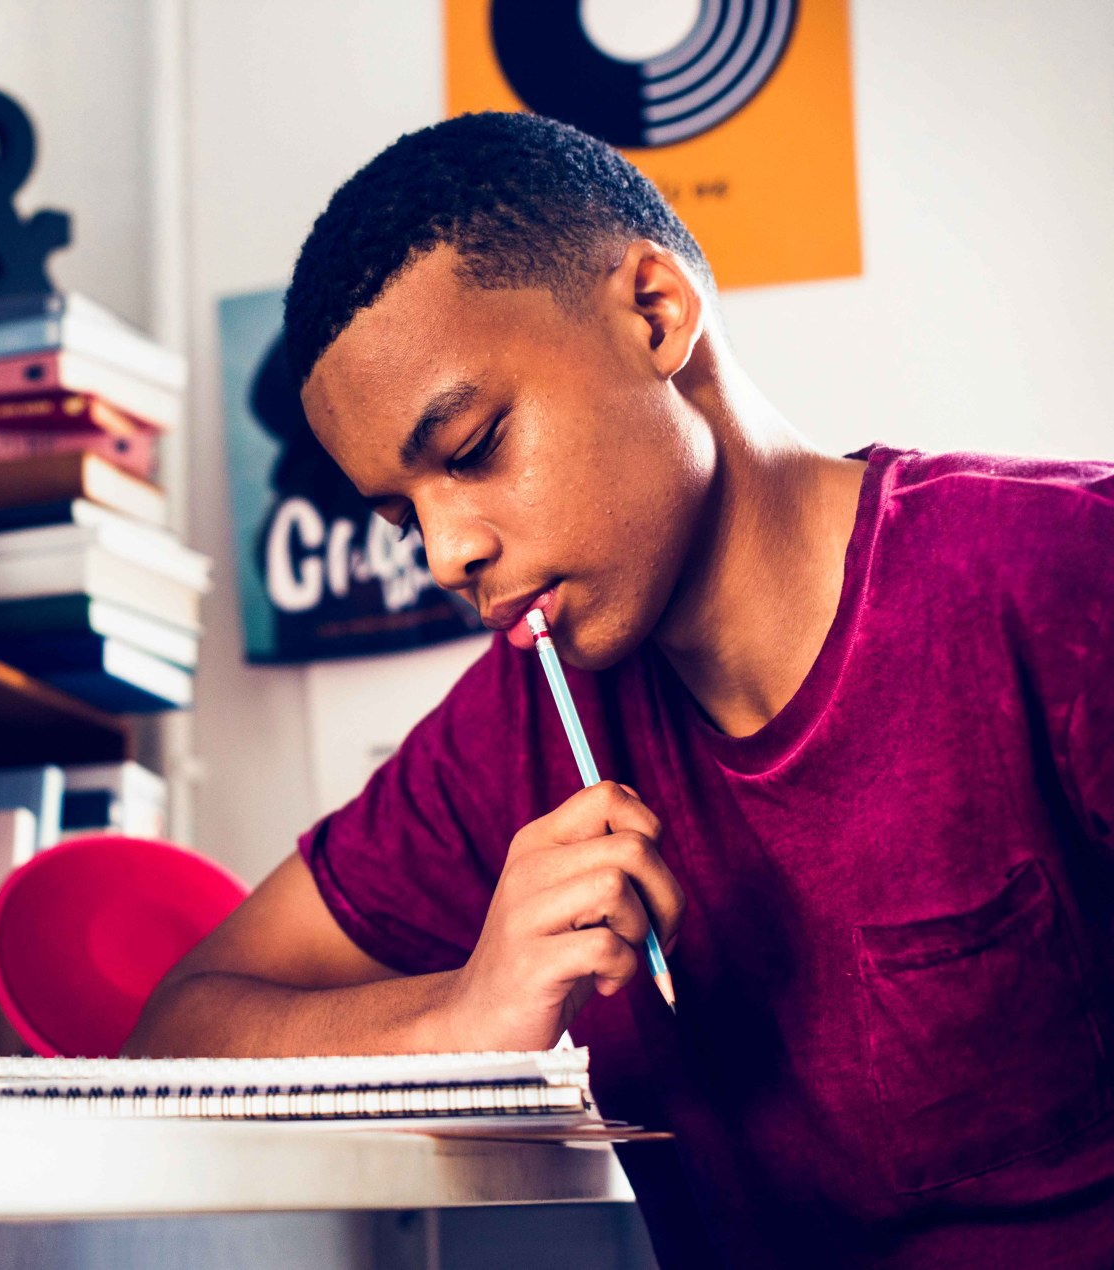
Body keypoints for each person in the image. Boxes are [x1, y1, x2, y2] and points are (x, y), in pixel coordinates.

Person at [126, 112, 1114, 1268]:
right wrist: (462, 1018)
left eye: (474, 445)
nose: (445, 553)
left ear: (656, 313)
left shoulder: (1059, 577)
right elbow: (177, 1030)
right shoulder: (518, 728)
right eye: (403, 515)